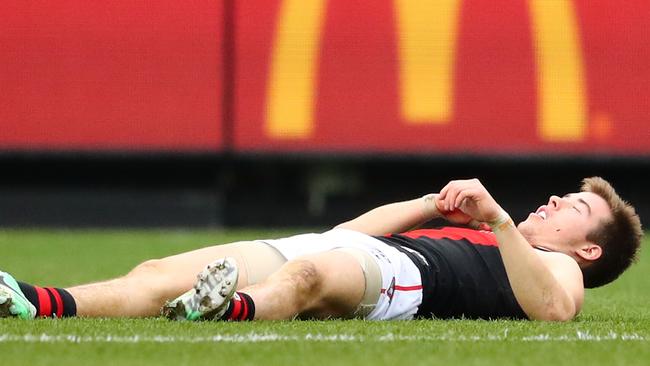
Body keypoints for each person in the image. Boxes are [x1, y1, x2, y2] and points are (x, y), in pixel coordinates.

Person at [0, 177, 642, 322]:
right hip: (368, 253)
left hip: (403, 279)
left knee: (309, 273)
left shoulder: (555, 266)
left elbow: (553, 310)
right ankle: (37, 302)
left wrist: (500, 219)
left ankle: (230, 310)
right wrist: (430, 205)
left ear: (586, 250)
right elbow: (347, 235)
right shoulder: (490, 237)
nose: (556, 204)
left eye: (574, 210)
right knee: (158, 270)